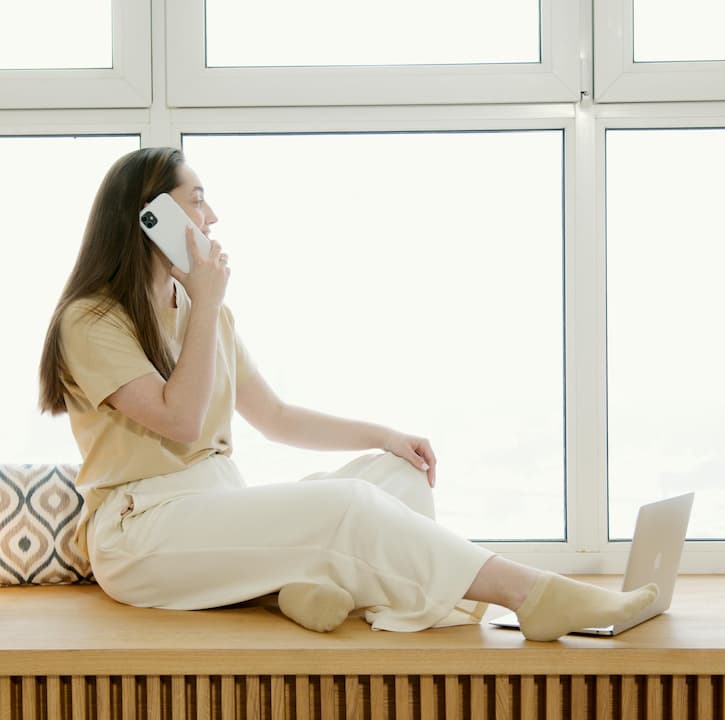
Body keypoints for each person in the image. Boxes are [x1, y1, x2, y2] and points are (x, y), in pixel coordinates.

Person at [38, 147, 657, 640]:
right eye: (197, 201)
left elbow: (276, 417)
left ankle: (298, 592)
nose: (213, 217)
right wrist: (208, 303)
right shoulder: (91, 321)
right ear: (151, 218)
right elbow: (180, 419)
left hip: (211, 508)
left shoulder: (204, 314)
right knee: (346, 508)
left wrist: (384, 436)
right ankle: (532, 594)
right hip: (141, 536)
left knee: (396, 477)